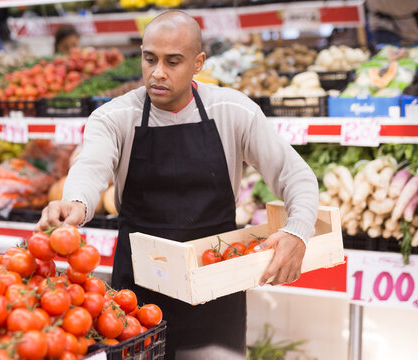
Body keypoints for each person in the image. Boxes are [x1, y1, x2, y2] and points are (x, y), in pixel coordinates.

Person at [36, 11, 319, 360]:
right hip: (136, 297)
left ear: (198, 62)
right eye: (149, 58)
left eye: (173, 62)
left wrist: (299, 232)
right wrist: (75, 203)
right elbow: (91, 166)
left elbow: (296, 175)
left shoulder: (233, 111)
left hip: (215, 287)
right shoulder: (113, 118)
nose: (157, 72)